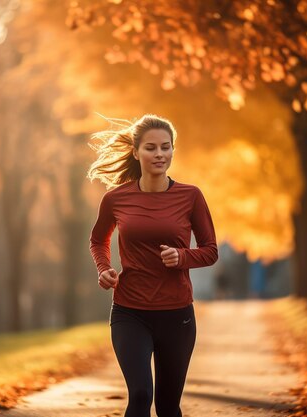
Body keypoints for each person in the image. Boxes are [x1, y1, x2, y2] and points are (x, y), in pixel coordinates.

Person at [87, 114, 218, 417]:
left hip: (177, 314)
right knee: (141, 394)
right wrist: (104, 268)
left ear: (173, 150)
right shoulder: (116, 199)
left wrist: (181, 257)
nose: (159, 154)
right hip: (130, 311)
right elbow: (98, 240)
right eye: (151, 148)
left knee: (168, 406)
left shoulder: (191, 196)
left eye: (165, 147)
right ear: (136, 152)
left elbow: (210, 251)